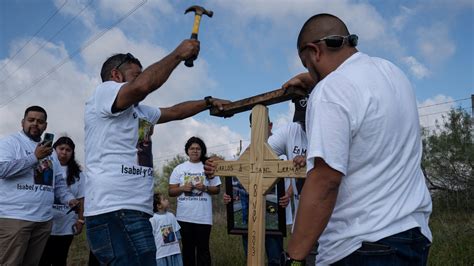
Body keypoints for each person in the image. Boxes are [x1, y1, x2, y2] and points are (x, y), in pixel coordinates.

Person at [282, 13, 432, 265]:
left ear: (314, 51)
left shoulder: (330, 91)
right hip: (413, 237)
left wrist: (295, 258)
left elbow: (325, 180)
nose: (309, 71)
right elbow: (351, 85)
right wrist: (312, 77)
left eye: (307, 63)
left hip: (359, 246)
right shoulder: (392, 72)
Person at [84, 39, 229, 265]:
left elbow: (174, 111)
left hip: (135, 211)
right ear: (116, 75)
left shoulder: (140, 111)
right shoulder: (103, 92)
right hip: (114, 209)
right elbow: (143, 86)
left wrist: (208, 102)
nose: (141, 78)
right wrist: (178, 54)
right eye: (136, 74)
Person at [217, 110, 308, 265]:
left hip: (275, 215)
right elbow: (236, 178)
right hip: (251, 215)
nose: (257, 129)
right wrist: (230, 197)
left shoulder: (283, 147)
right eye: (254, 126)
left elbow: (294, 175)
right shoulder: (248, 153)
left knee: (275, 258)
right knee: (251, 256)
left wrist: (288, 194)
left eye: (261, 125)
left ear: (270, 125)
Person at [0, 106, 79, 266]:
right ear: (23, 122)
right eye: (31, 120)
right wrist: (35, 157)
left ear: (45, 126)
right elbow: (3, 169)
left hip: (43, 220)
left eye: (40, 121)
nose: (35, 124)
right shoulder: (11, 142)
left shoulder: (51, 152)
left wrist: (70, 199)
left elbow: (58, 184)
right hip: (15, 218)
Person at [168, 137, 221, 266]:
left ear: (202, 151)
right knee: (187, 251)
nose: (195, 151)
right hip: (184, 217)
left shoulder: (208, 167)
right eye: (192, 148)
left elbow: (217, 189)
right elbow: (171, 191)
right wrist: (182, 188)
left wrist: (206, 188)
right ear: (187, 151)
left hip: (203, 218)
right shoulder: (179, 168)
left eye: (198, 148)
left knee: (203, 252)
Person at [39, 136, 85, 266]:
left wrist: (80, 220)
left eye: (68, 150)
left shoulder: (79, 175)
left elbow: (82, 198)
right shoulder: (44, 167)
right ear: (54, 150)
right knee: (42, 259)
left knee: (60, 258)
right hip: (45, 222)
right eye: (61, 148)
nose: (64, 152)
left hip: (66, 225)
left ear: (72, 153)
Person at [149, 192, 183, 266]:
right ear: (159, 205)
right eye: (164, 199)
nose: (167, 200)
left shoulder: (171, 216)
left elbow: (177, 233)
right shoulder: (153, 219)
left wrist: (179, 247)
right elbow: (151, 237)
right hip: (161, 255)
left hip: (174, 253)